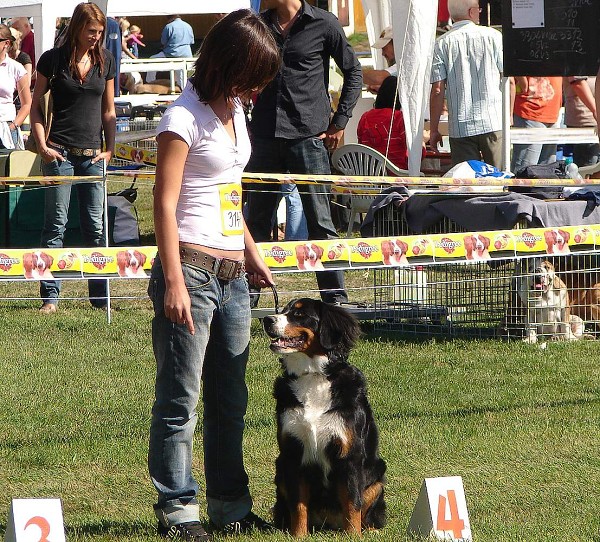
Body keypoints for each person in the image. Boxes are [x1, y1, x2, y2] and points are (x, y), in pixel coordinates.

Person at [148, 9, 280, 541]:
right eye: (253, 74)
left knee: (231, 397)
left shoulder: (236, 111)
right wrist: (175, 280)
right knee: (181, 397)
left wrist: (249, 249)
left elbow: (230, 189)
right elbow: (164, 202)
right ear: (230, 63)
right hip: (193, 272)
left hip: (232, 276)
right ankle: (178, 509)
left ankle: (231, 505)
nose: (257, 87)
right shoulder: (181, 118)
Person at [245, 0, 362, 305]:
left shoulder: (324, 23)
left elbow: (354, 72)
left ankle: (335, 300)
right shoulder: (259, 24)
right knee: (256, 222)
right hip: (265, 137)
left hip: (308, 137)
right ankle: (248, 297)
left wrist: (340, 122)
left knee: (321, 223)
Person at [30, 2, 116, 314]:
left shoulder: (105, 61)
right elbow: (36, 106)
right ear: (77, 28)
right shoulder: (51, 60)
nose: (96, 36)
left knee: (95, 226)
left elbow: (109, 110)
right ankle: (50, 298)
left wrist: (111, 149)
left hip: (93, 156)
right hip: (58, 153)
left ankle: (100, 298)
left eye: (100, 32)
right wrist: (42, 144)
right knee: (55, 226)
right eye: (92, 31)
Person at [429, 0, 503, 168]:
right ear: (471, 12)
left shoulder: (441, 43)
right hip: (493, 120)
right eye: (479, 9)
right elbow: (508, 79)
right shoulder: (494, 36)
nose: (480, 11)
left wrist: (434, 129)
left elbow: (438, 90)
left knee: (467, 184)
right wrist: (509, 115)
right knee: (500, 180)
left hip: (460, 126)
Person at [510, 76, 562, 173]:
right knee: (524, 171)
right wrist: (524, 83)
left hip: (552, 111)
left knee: (548, 171)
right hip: (530, 109)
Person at [357, 76, 409, 170]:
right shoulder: (399, 118)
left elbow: (361, 148)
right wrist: (422, 142)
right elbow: (416, 155)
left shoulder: (365, 117)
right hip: (398, 176)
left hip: (370, 177)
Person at [0, 24, 31, 151]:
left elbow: (27, 103)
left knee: (5, 169)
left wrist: (13, 125)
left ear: (6, 43)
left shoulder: (16, 68)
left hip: (6, 128)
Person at [146, 15, 194, 90]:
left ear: (169, 18)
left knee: (152, 60)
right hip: (187, 53)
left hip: (172, 53)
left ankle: (150, 82)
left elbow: (163, 42)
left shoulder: (169, 26)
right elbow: (191, 41)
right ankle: (183, 90)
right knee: (181, 74)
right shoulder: (188, 26)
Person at [563, 76, 598, 167]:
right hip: (585, 121)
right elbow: (578, 84)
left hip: (592, 121)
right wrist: (595, 110)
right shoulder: (577, 62)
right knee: (587, 168)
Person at [362, 26, 396, 94]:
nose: (383, 54)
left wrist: (353, 74)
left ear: (395, 45)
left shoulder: (404, 64)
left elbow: (379, 77)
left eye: (384, 48)